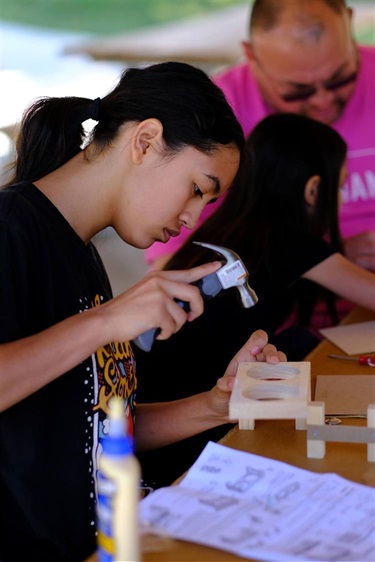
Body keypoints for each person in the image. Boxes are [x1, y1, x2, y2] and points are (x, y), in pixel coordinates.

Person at [0, 61, 287, 562]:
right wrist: (108, 321)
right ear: (146, 141)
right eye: (198, 190)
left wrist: (218, 405)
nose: (192, 218)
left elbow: (95, 427)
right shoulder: (11, 229)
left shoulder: (81, 251)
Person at [135, 112, 375, 489]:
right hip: (183, 436)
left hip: (144, 420)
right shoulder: (289, 239)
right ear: (313, 190)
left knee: (298, 341)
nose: (341, 200)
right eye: (339, 187)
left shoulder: (228, 228)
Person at [145, 0, 375, 272]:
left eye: (340, 79)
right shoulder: (209, 117)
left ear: (349, 23)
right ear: (251, 55)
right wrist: (321, 259)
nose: (323, 101)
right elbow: (170, 267)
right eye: (297, 91)